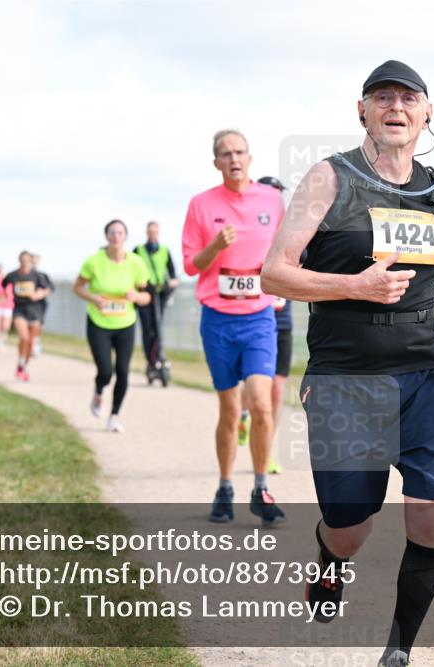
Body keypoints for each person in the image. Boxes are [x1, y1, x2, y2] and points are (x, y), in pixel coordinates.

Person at [261, 60, 434, 667]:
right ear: (361, 110)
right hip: (345, 378)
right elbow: (275, 274)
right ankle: (331, 561)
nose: (396, 107)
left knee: (433, 520)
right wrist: (354, 287)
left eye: (408, 98)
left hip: (425, 376)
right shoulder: (329, 178)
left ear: (427, 112)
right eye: (382, 97)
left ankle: (399, 649)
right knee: (349, 526)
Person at [181, 129, 286, 527]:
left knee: (261, 402)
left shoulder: (271, 200)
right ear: (216, 163)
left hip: (259, 317)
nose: (234, 159)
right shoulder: (201, 204)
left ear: (250, 158)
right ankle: (224, 488)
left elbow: (285, 251)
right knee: (229, 409)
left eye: (240, 152)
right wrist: (216, 246)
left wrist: (282, 287)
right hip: (218, 320)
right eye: (226, 154)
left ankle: (260, 488)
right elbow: (191, 265)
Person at [74, 220, 152, 432]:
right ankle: (99, 391)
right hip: (99, 323)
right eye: (112, 232)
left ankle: (114, 416)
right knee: (106, 371)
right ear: (106, 236)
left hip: (125, 323)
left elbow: (147, 296)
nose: (116, 236)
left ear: (125, 236)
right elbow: (77, 287)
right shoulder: (94, 261)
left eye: (120, 232)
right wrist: (94, 298)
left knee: (123, 371)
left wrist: (137, 296)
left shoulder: (136, 263)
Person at [239, 175, 292, 474]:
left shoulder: (292, 232)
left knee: (276, 391)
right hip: (253, 319)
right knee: (254, 386)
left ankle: (266, 451)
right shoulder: (250, 233)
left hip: (282, 321)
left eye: (279, 194)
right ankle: (244, 415)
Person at [134, 220, 179, 379]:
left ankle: (159, 357)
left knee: (158, 327)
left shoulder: (165, 251)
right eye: (150, 232)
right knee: (148, 328)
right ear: (147, 233)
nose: (152, 235)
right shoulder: (138, 251)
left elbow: (174, 276)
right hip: (145, 295)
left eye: (155, 232)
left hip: (160, 294)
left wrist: (169, 284)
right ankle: (151, 361)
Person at [3, 251, 51, 381]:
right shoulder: (13, 275)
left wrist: (39, 294)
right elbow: (4, 285)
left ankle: (23, 366)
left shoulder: (37, 275)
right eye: (22, 261)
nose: (25, 263)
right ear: (19, 261)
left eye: (27, 261)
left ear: (30, 261)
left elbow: (47, 289)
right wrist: (7, 296)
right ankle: (21, 360)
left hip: (35, 310)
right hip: (19, 310)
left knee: (30, 341)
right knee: (24, 337)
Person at [31, 254, 53, 357]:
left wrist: (42, 293)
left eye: (36, 261)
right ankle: (30, 344)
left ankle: (35, 344)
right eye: (32, 261)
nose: (34, 263)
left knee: (38, 325)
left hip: (40, 305)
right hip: (26, 305)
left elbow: (50, 288)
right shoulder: (24, 275)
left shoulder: (43, 275)